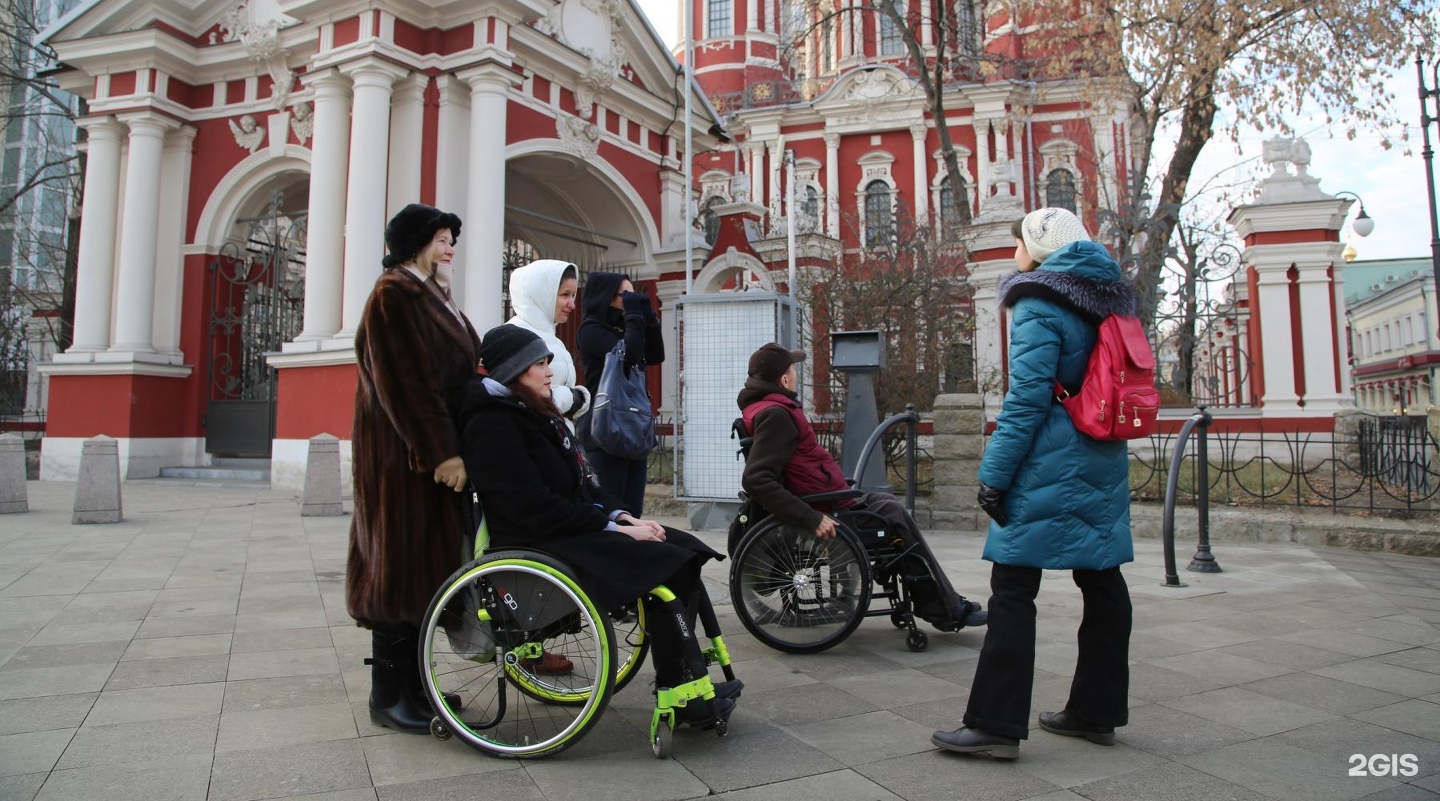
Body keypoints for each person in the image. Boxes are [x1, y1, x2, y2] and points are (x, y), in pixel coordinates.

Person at [453, 324, 740, 725]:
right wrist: (614, 531)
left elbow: (584, 483)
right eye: (539, 363)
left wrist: (623, 516)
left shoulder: (532, 412)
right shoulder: (492, 424)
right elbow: (530, 506)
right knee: (665, 564)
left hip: (566, 528)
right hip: (540, 540)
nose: (549, 371)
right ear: (513, 372)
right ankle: (679, 694)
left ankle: (688, 681)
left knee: (685, 549)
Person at [933, 208, 1135, 760]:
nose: (1013, 251)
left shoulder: (1038, 299)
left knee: (1014, 589)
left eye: (1017, 241)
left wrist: (994, 476)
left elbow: (1026, 399)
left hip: (1049, 460)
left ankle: (995, 725)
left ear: (1039, 249)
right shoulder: (1110, 297)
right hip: (1103, 454)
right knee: (1102, 582)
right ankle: (1096, 713)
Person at [738, 343, 986, 632]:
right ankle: (944, 607)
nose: (795, 374)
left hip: (829, 499)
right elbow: (757, 479)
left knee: (886, 504)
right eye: (792, 369)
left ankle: (941, 601)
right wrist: (811, 517)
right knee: (894, 514)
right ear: (783, 379)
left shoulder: (765, 407)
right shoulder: (776, 414)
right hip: (824, 506)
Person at [347, 202, 481, 734]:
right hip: (400, 460)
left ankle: (419, 688)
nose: (450, 246)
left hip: (425, 458)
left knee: (428, 572)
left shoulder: (432, 295)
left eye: (452, 237)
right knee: (398, 570)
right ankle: (388, 696)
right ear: (416, 241)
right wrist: (440, 452)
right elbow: (404, 381)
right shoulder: (393, 294)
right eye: (443, 237)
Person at [575, 271, 663, 516]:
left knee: (633, 511)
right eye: (626, 295)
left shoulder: (625, 327)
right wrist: (634, 316)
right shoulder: (591, 330)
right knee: (613, 509)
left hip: (633, 425)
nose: (630, 300)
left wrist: (648, 318)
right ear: (606, 297)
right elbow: (630, 354)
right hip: (605, 428)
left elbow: (655, 355)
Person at [505, 259, 590, 426]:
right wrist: (571, 397)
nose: (572, 304)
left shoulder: (554, 339)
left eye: (573, 295)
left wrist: (576, 398)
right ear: (543, 294)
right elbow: (517, 398)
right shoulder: (515, 335)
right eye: (565, 295)